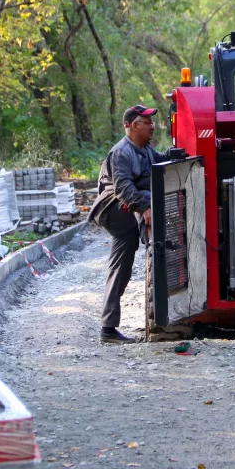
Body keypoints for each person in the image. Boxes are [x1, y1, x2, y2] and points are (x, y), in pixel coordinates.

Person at [88, 105, 168, 344]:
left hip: (125, 209)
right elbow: (124, 191)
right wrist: (146, 208)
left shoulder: (146, 150)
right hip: (114, 209)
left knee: (120, 266)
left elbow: (163, 163)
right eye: (148, 122)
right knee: (127, 260)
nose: (153, 126)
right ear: (134, 125)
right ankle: (157, 247)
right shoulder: (121, 152)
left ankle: (108, 329)